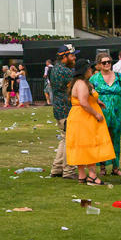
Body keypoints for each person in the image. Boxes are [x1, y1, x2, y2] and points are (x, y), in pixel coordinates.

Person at [66, 58, 115, 186]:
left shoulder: (79, 82)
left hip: (79, 117)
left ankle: (82, 175)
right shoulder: (81, 83)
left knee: (81, 146)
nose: (91, 71)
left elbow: (84, 98)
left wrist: (97, 101)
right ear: (85, 70)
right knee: (89, 145)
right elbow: (83, 102)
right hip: (84, 118)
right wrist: (96, 114)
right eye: (89, 69)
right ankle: (92, 176)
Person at [90, 52, 121, 177]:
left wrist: (118, 104)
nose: (107, 64)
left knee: (116, 139)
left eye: (109, 62)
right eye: (104, 62)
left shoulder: (118, 77)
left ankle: (116, 167)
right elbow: (89, 94)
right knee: (102, 139)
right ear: (99, 64)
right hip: (101, 113)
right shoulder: (94, 79)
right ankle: (102, 167)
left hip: (117, 112)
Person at [50, 45, 78, 180]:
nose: (75, 58)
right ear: (64, 57)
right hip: (67, 109)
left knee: (64, 139)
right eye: (72, 56)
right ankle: (68, 171)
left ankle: (57, 168)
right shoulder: (66, 71)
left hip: (58, 109)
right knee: (70, 140)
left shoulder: (54, 69)